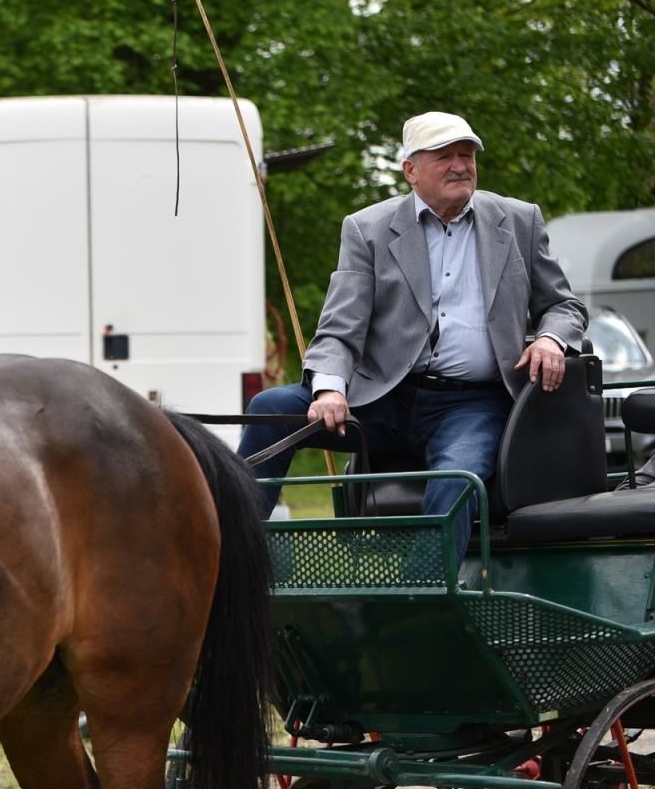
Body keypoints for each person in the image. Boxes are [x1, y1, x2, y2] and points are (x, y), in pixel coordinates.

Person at [238, 111, 585, 558]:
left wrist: (550, 339)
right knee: (270, 409)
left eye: (467, 154)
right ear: (411, 170)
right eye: (445, 156)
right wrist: (328, 389)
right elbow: (339, 330)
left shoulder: (519, 220)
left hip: (471, 403)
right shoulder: (368, 229)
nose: (461, 165)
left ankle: (421, 605)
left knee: (457, 477)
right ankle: (234, 562)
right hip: (382, 399)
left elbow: (564, 305)